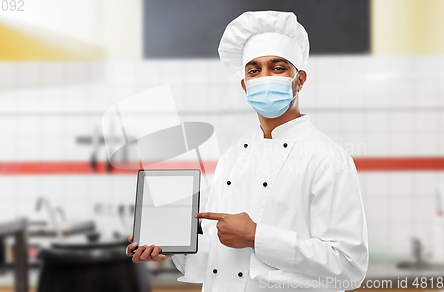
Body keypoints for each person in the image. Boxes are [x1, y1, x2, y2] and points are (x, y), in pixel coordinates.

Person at [126, 10, 368, 291]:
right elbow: (219, 260)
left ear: (299, 79)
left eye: (278, 68)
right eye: (254, 70)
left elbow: (349, 266)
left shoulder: (328, 158)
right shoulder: (233, 158)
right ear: (245, 85)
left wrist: (257, 236)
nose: (264, 77)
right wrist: (173, 248)